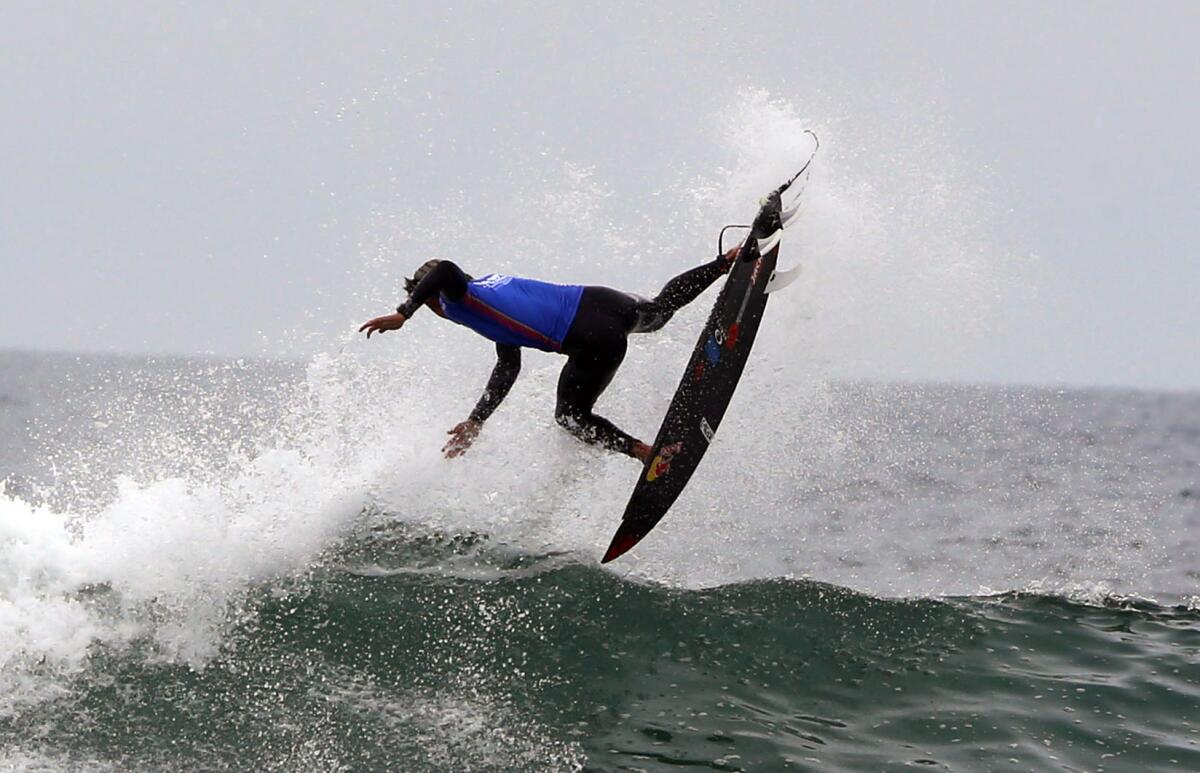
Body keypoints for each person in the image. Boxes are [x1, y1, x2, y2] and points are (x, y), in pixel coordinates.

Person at [359, 248, 741, 462]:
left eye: (428, 303)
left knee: (570, 416)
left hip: (589, 337)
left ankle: (646, 453)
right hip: (602, 301)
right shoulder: (489, 298)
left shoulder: (458, 296)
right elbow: (508, 365)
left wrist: (402, 313)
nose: (434, 312)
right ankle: (727, 262)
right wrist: (476, 421)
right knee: (658, 311)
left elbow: (443, 268)